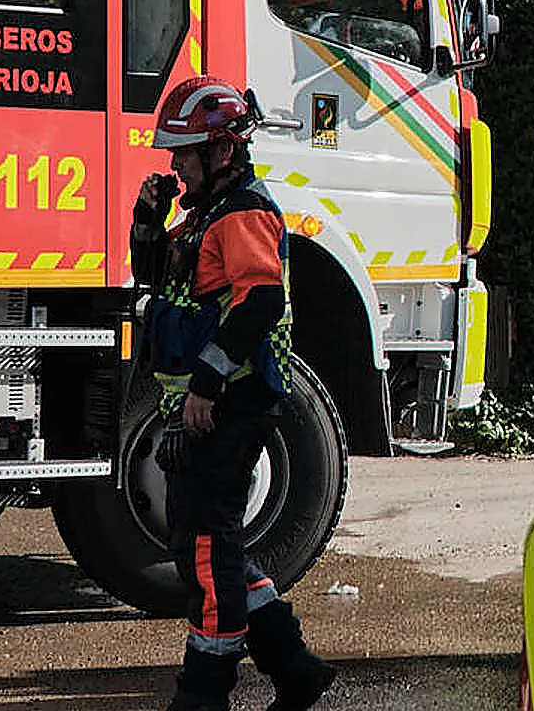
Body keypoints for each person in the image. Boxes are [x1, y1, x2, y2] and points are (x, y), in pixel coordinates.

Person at [130, 76, 336, 711]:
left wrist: (207, 385)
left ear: (221, 151)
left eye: (183, 155)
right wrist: (147, 219)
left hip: (228, 404)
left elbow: (259, 303)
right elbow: (157, 285)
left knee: (205, 551)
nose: (174, 166)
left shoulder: (243, 212)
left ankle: (206, 692)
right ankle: (294, 667)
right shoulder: (205, 217)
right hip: (207, 405)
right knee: (213, 542)